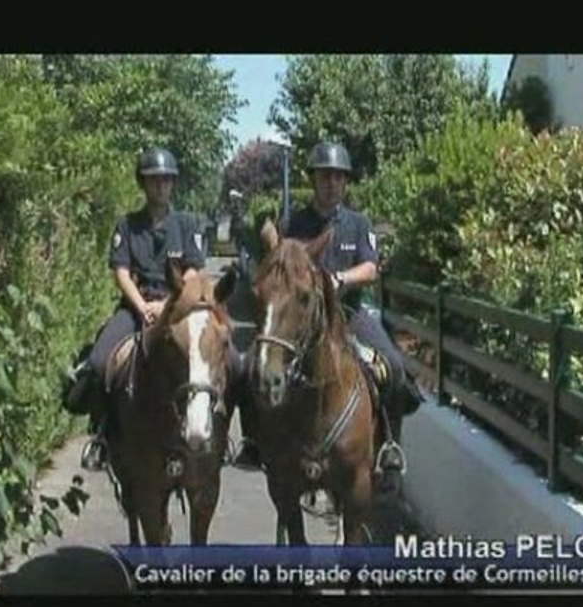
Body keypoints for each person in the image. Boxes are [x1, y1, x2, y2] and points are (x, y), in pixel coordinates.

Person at [232, 141, 422, 472]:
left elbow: (371, 268)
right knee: (251, 368)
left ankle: (390, 446)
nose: (331, 183)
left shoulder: (358, 223)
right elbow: (276, 267)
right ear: (314, 180)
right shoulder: (294, 223)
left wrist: (339, 280)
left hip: (348, 314)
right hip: (300, 318)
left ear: (345, 182)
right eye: (324, 176)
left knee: (392, 365)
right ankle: (253, 442)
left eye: (337, 177)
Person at [73, 147, 206, 471]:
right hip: (137, 307)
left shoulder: (188, 224)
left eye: (165, 180)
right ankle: (102, 434)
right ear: (143, 185)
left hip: (177, 309)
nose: (160, 186)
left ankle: (224, 436)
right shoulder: (127, 225)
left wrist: (167, 305)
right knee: (100, 360)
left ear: (173, 184)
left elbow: (194, 271)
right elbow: (121, 271)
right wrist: (143, 305)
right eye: (153, 180)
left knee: (226, 362)